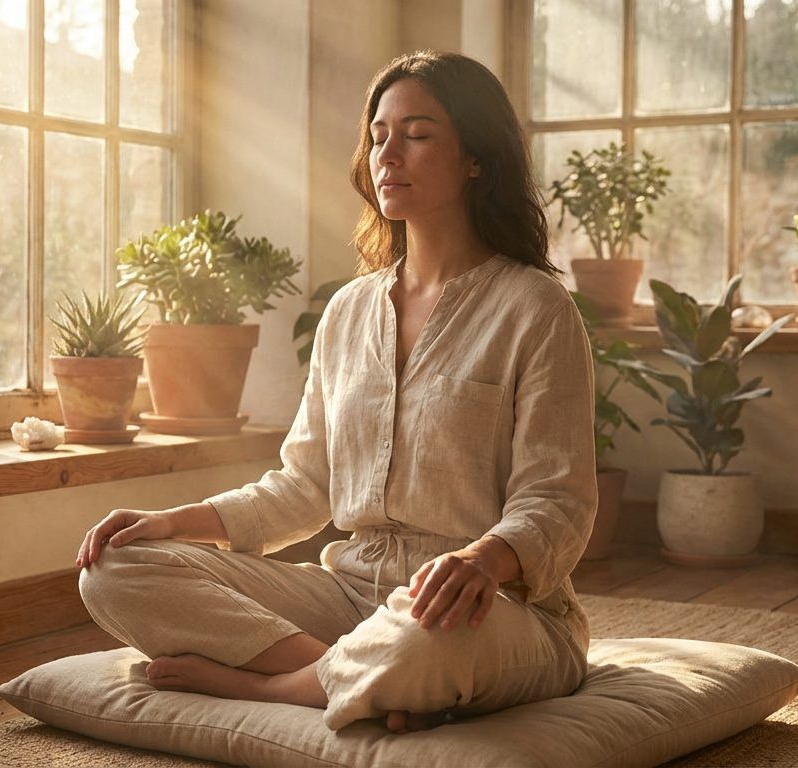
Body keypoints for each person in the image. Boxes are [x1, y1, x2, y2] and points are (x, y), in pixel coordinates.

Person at [76, 50, 596, 734]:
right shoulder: (349, 311)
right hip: (350, 595)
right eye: (378, 136)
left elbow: (555, 500)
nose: (388, 155)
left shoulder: (536, 308)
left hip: (486, 609)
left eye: (417, 134)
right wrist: (173, 521)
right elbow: (303, 486)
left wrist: (483, 559)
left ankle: (282, 685)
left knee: (423, 635)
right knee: (114, 568)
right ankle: (347, 675)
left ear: (475, 157)